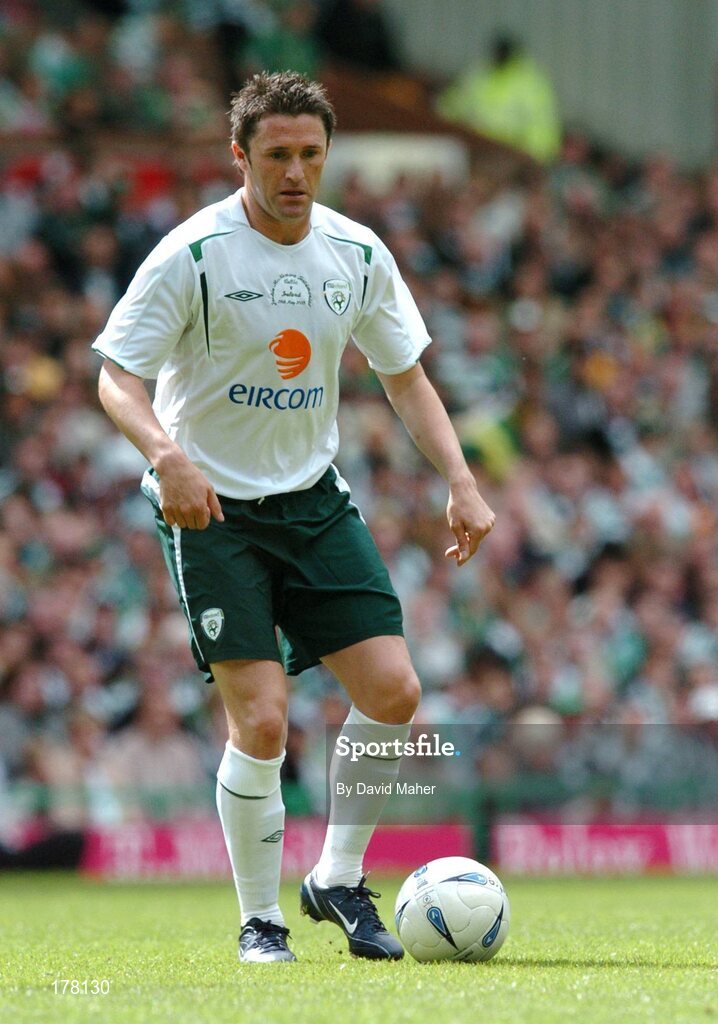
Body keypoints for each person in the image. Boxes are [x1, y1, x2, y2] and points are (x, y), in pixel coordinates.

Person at [93, 70, 495, 964]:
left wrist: (461, 478)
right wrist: (168, 458)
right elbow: (115, 378)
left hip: (313, 500)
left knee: (393, 693)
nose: (295, 173)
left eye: (310, 154)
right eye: (276, 155)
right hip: (212, 512)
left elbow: (404, 376)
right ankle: (259, 920)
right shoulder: (192, 255)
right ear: (240, 157)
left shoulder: (354, 253)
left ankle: (336, 879)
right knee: (263, 720)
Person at [437, 35, 561, 164]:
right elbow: (454, 104)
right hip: (479, 149)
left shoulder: (530, 80)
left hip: (515, 155)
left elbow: (542, 122)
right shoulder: (480, 74)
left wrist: (536, 156)